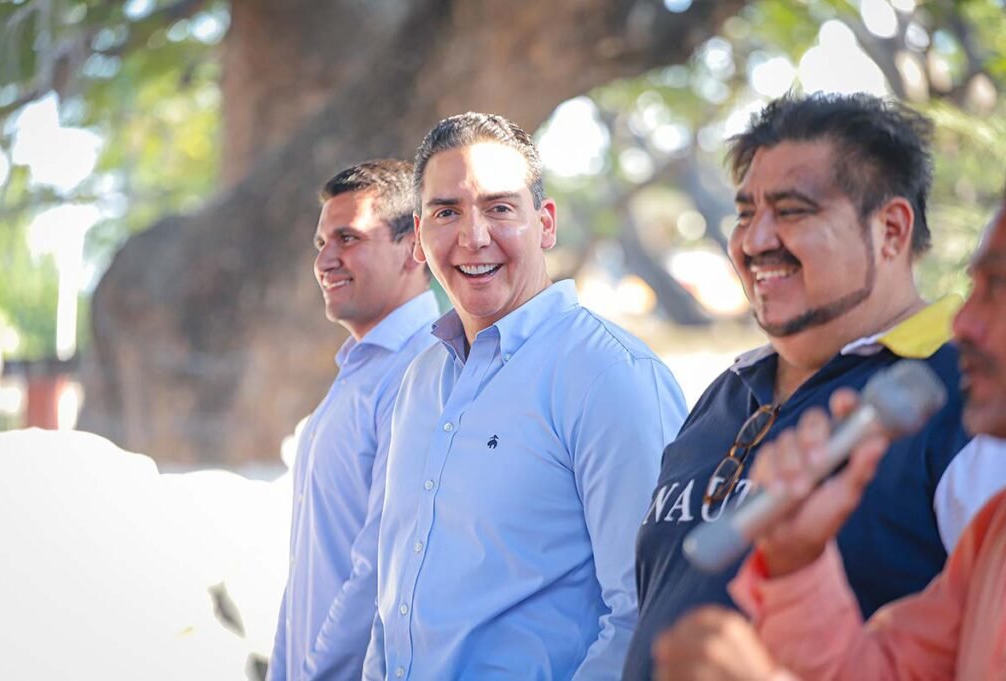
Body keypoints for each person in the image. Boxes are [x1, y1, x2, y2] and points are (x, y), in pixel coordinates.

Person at [623, 93, 997, 680]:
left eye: (792, 210)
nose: (755, 240)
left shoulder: (970, 405)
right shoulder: (726, 392)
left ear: (892, 230)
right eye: (745, 213)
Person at [362, 112, 688, 680]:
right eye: (446, 212)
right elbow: (394, 601)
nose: (473, 236)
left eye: (499, 207)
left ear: (546, 223)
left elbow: (652, 613)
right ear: (418, 236)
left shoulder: (610, 376)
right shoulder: (419, 381)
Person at [268, 160, 438, 681]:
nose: (325, 260)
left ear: (414, 248)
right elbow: (310, 570)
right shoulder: (362, 366)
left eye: (348, 238)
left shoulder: (422, 368)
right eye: (321, 243)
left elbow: (378, 570)